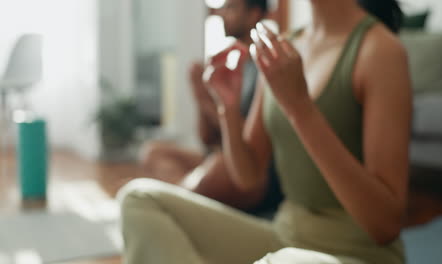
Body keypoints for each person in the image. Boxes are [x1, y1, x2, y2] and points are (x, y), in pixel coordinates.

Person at [118, 0, 412, 263]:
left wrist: (300, 109)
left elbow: (384, 226)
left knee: (285, 261)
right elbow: (248, 176)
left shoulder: (381, 51)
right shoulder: (286, 46)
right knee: (139, 200)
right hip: (282, 236)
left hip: (357, 254)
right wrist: (228, 108)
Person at [140, 0, 283, 212]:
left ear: (254, 14)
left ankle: (171, 203)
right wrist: (200, 93)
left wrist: (211, 102)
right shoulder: (233, 64)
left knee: (217, 165)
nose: (221, 14)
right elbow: (207, 138)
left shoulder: (268, 65)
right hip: (221, 158)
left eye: (231, 8)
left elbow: (251, 143)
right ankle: (182, 201)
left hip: (253, 170)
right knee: (152, 152)